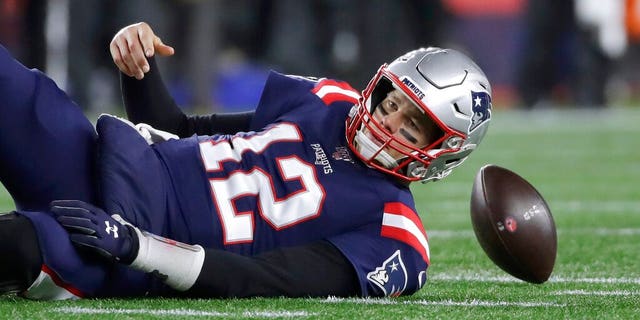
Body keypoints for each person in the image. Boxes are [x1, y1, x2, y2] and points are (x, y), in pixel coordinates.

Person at [0, 22, 492, 300]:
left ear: (442, 151)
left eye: (412, 124)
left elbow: (265, 279)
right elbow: (180, 129)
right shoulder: (328, 100)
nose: (388, 122)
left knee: (17, 243)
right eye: (391, 101)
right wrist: (140, 69)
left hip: (129, 247)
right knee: (12, 87)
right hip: (114, 164)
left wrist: (138, 249)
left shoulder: (394, 235)